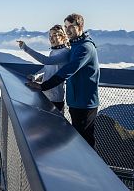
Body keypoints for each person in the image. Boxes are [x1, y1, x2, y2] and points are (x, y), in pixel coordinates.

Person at [26, 13, 100, 148]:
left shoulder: (85, 47)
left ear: (80, 26)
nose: (68, 29)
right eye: (66, 26)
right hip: (75, 100)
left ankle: (90, 168)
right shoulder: (76, 46)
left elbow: (68, 70)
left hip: (85, 102)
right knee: (79, 139)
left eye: (71, 26)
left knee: (85, 142)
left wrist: (43, 86)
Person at [17, 25, 70, 113]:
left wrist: (26, 48)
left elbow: (46, 61)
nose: (51, 38)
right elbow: (47, 69)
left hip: (55, 98)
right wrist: (35, 76)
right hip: (46, 94)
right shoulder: (53, 52)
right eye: (50, 36)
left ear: (63, 37)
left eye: (54, 35)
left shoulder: (65, 53)